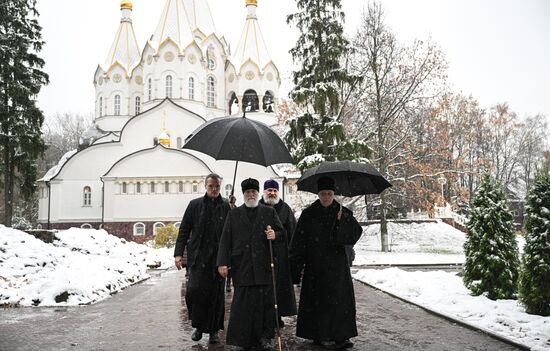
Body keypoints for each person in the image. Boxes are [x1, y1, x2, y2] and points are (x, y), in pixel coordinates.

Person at [289, 176, 363, 350]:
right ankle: (321, 335)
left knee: (340, 304)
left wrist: (342, 221)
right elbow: (298, 243)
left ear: (333, 194)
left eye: (329, 194)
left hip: (338, 269)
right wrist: (295, 269)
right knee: (319, 304)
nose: (327, 197)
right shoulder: (308, 214)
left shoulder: (343, 212)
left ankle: (341, 335)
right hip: (316, 267)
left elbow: (354, 235)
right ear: (318, 194)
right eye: (323, 194)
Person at [217, 178, 285, 350]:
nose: (251, 195)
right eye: (248, 192)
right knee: (242, 305)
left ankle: (265, 337)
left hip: (263, 265)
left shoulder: (269, 212)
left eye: (254, 192)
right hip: (242, 266)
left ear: (257, 193)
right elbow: (225, 240)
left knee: (264, 305)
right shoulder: (233, 214)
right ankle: (241, 339)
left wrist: (274, 235)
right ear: (244, 194)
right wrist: (222, 263)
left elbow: (283, 233)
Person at [174, 173, 231, 344]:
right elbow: (184, 230)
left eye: (217, 187)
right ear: (205, 186)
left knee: (216, 296)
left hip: (218, 259)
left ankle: (213, 330)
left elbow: (231, 233)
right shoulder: (195, 205)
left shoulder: (226, 206)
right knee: (194, 292)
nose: (214, 189)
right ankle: (198, 326)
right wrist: (178, 253)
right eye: (211, 186)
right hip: (198, 258)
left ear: (220, 187)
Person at [259, 179, 297, 327]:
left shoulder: (285, 209)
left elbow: (291, 233)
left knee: (279, 288)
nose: (272, 193)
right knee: (264, 288)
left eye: (275, 190)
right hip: (262, 255)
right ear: (264, 192)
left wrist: (278, 236)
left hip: (280, 255)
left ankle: (278, 315)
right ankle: (265, 316)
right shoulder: (257, 207)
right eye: (269, 190)